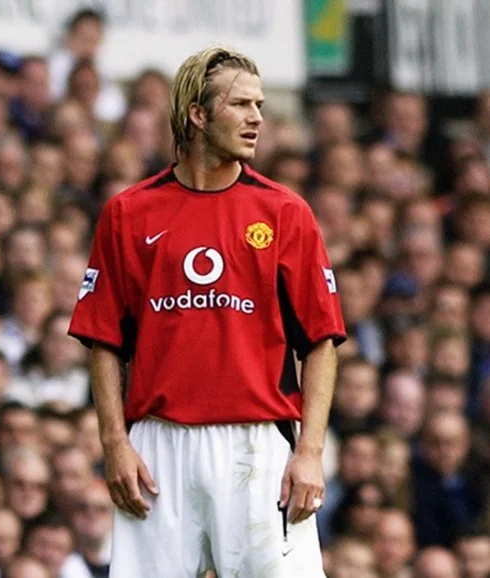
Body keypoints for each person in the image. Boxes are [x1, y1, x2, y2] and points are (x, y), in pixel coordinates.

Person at [68, 46, 346, 576]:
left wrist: (310, 452)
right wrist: (113, 443)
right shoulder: (128, 212)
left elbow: (320, 342)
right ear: (198, 114)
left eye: (260, 105)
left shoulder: (286, 212)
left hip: (257, 443)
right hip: (156, 443)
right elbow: (103, 339)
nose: (257, 118)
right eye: (241, 104)